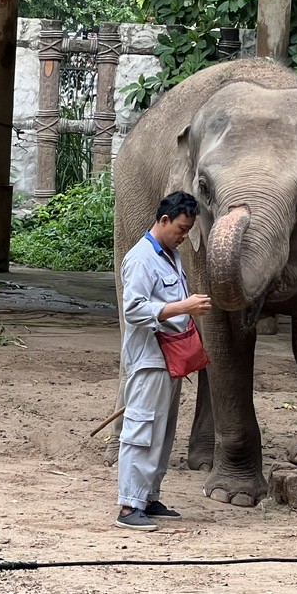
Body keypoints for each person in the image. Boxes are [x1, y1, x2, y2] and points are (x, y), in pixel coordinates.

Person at [115, 191, 213, 531]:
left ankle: (148, 497)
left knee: (163, 432)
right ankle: (129, 506)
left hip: (169, 358)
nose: (184, 236)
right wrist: (184, 307)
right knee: (141, 430)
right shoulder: (141, 259)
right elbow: (134, 309)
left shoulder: (171, 255)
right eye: (181, 229)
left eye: (188, 231)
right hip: (149, 358)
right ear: (164, 221)